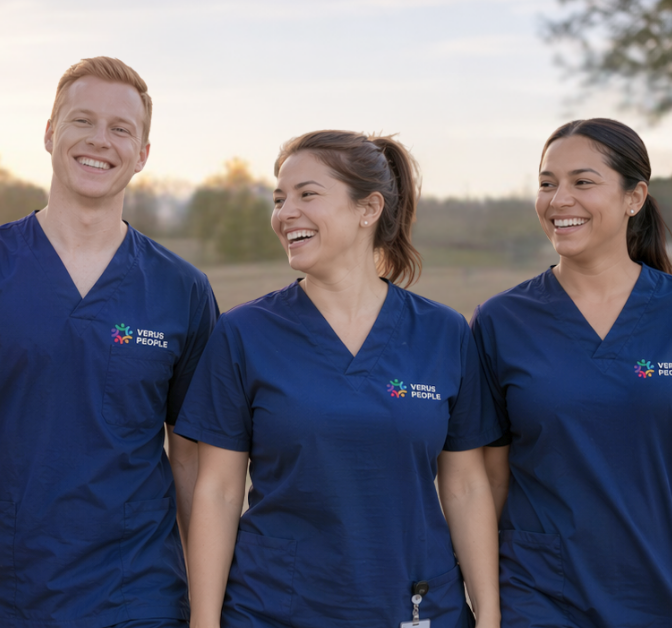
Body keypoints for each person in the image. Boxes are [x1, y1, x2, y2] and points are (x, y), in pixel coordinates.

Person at [0, 57, 218, 628]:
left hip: (137, 592)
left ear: (142, 153)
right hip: (0, 588)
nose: (100, 141)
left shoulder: (182, 290)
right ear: (49, 133)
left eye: (122, 129)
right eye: (82, 121)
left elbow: (191, 458)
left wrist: (207, 605)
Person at [177, 130, 501, 628]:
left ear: (368, 208)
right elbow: (218, 491)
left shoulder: (444, 333)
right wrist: (203, 621)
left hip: (413, 607)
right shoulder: (243, 333)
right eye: (280, 199)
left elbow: (465, 487)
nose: (285, 213)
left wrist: (489, 615)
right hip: (274, 608)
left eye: (308, 194)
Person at [474, 118, 672, 628]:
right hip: (541, 592)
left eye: (583, 182)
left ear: (634, 197)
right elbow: (489, 476)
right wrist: (485, 598)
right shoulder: (501, 321)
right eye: (547, 183)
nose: (558, 200)